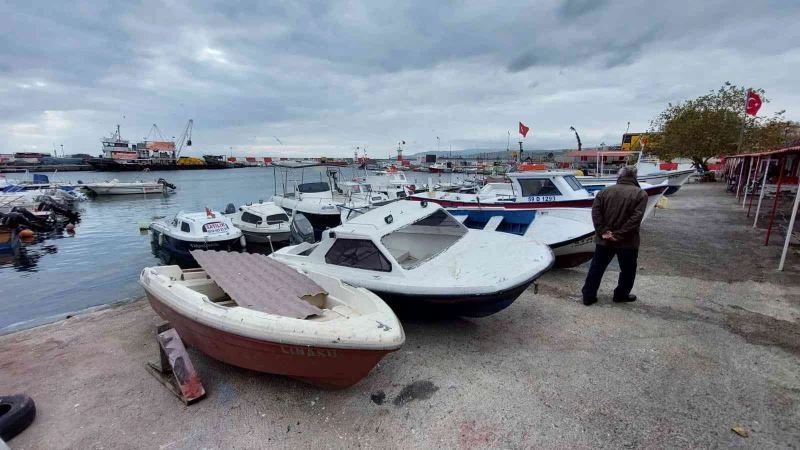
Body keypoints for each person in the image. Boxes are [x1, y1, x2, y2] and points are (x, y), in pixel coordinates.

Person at [581, 166, 648, 306]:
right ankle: (621, 295)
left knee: (597, 267)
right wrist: (618, 234)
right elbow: (636, 219)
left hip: (604, 240)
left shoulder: (604, 192)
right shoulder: (640, 194)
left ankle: (588, 295)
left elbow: (596, 214)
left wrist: (604, 232)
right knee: (628, 270)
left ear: (620, 175)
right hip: (628, 241)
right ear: (635, 176)